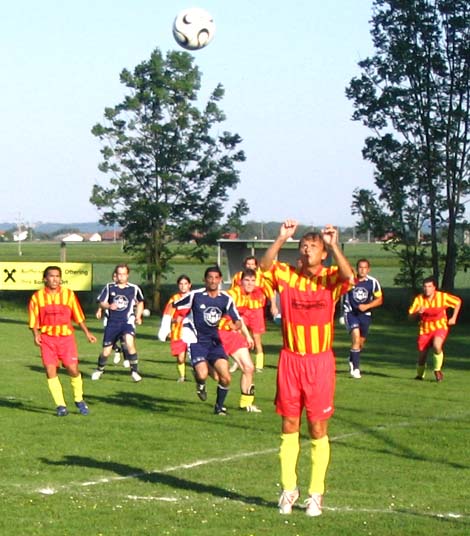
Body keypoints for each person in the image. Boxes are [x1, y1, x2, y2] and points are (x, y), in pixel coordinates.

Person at [260, 220, 353, 517]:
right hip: (290, 359)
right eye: (303, 245)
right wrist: (280, 238)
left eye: (313, 246)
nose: (307, 249)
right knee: (288, 425)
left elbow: (348, 275)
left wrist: (335, 244)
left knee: (317, 427)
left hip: (319, 362)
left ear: (323, 253)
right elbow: (264, 268)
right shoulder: (287, 275)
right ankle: (289, 488)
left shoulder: (329, 278)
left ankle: (316, 494)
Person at [28, 265, 97, 416]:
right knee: (50, 370)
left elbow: (78, 316)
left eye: (57, 276)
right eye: (52, 276)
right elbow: (33, 319)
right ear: (45, 279)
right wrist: (35, 334)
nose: (55, 279)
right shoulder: (37, 297)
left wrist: (87, 333)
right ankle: (60, 405)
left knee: (73, 369)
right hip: (47, 339)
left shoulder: (69, 295)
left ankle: (79, 399)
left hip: (66, 339)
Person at [172, 266, 241, 415]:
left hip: (215, 343)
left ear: (220, 280)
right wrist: (177, 318)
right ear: (204, 279)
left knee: (225, 377)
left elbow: (237, 319)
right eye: (210, 277)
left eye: (216, 278)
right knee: (203, 375)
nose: (213, 280)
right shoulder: (195, 296)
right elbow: (174, 305)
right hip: (197, 341)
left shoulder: (226, 299)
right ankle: (200, 383)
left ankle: (219, 407)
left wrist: (234, 325)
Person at [219, 269, 263, 413]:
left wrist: (247, 336)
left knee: (249, 367)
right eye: (247, 280)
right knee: (217, 373)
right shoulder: (233, 293)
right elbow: (217, 303)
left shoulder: (248, 296)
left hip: (232, 335)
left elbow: (238, 318)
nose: (250, 283)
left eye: (252, 280)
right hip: (219, 334)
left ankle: (246, 404)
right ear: (241, 281)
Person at [91, 263, 145, 382]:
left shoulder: (134, 288)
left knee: (129, 343)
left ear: (128, 275)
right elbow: (101, 302)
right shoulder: (109, 287)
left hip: (127, 322)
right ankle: (99, 369)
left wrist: (138, 316)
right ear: (116, 275)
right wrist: (109, 305)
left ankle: (134, 372)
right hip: (112, 323)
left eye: (124, 274)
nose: (121, 277)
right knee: (106, 352)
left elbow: (140, 302)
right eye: (119, 274)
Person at [408, 277, 461, 382]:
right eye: (425, 286)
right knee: (422, 355)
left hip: (440, 326)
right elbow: (410, 317)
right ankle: (420, 375)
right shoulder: (419, 299)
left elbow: (458, 301)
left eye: (429, 286)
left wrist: (454, 317)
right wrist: (418, 313)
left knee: (437, 345)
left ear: (434, 288)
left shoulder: (442, 297)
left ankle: (437, 370)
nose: (427, 289)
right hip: (425, 329)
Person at [231, 255, 278, 371]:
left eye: (253, 264)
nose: (250, 266)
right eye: (248, 264)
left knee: (256, 337)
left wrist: (273, 305)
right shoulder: (238, 276)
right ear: (244, 265)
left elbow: (270, 292)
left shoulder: (260, 278)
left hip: (256, 311)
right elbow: (233, 291)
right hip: (243, 309)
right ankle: (237, 362)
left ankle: (259, 364)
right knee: (238, 334)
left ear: (256, 266)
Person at [343, 258, 383, 379]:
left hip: (365, 315)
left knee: (360, 343)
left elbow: (380, 300)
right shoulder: (351, 281)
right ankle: (355, 369)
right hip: (350, 313)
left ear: (368, 269)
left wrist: (367, 306)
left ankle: (352, 358)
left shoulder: (373, 282)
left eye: (365, 268)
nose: (362, 270)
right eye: (360, 267)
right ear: (357, 268)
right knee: (355, 338)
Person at [157, 274, 192, 382]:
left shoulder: (194, 297)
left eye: (185, 284)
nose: (183, 286)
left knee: (196, 356)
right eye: (181, 284)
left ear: (189, 285)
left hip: (192, 331)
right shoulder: (174, 299)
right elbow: (168, 316)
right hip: (178, 331)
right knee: (181, 358)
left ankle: (200, 376)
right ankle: (182, 376)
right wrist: (173, 321)